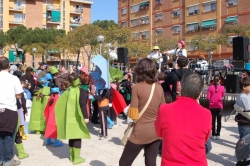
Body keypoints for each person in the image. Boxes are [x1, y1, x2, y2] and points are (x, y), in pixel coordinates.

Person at [155, 72, 212, 166]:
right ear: (200, 93)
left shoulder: (164, 109)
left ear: (179, 88)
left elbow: (158, 133)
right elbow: (205, 140)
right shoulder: (206, 114)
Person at [119, 58, 165, 166]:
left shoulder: (136, 87)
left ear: (139, 70)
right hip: (155, 131)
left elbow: (133, 114)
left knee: (124, 162)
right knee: (150, 162)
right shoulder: (159, 87)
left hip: (140, 131)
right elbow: (163, 109)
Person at [55, 72, 90, 165]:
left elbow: (61, 104)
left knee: (71, 136)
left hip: (69, 118)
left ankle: (71, 156)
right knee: (77, 137)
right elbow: (83, 105)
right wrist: (86, 117)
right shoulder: (81, 91)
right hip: (78, 118)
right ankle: (76, 158)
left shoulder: (68, 91)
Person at [0, 57, 23, 166]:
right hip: (9, 109)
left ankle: (1, 159)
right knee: (9, 137)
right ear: (8, 66)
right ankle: (7, 160)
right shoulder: (14, 78)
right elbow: (19, 95)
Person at [207, 76, 225, 140]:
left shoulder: (210, 87)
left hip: (212, 105)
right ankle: (218, 134)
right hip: (219, 105)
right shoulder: (222, 87)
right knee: (219, 120)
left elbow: (208, 97)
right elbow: (223, 95)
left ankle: (213, 134)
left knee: (213, 121)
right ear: (219, 80)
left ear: (213, 80)